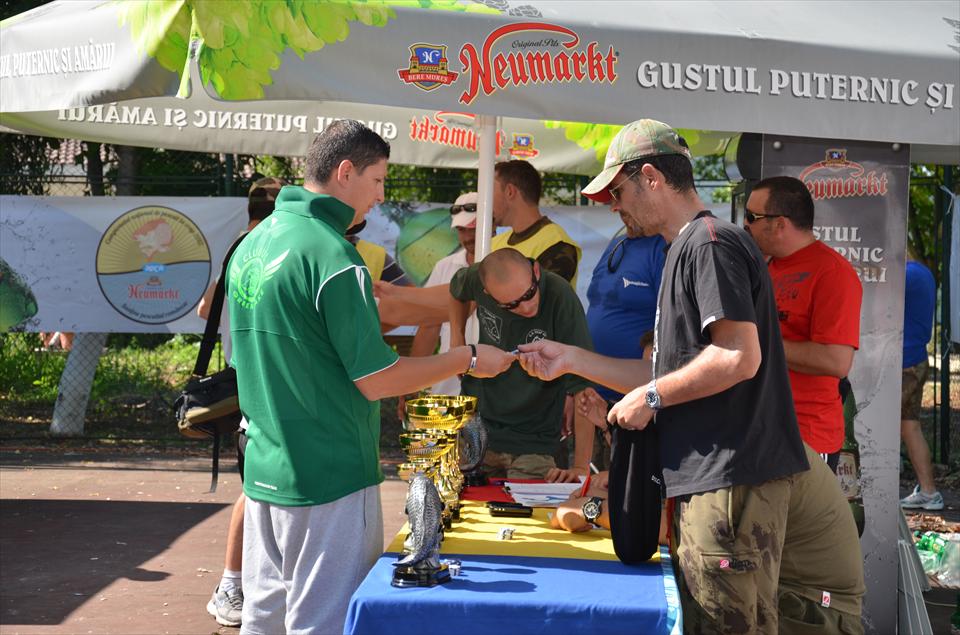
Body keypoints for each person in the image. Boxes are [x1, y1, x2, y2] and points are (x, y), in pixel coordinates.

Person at [518, 119, 864, 634]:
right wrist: (569, 359)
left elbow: (738, 356)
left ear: (651, 177)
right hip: (714, 480)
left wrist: (651, 397)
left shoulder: (710, 243)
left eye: (618, 191)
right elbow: (664, 372)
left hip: (730, 477)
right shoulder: (688, 247)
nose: (614, 205)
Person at [226, 120, 514, 634]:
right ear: (345, 172)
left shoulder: (252, 244)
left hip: (264, 467)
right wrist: (466, 357)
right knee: (325, 623)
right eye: (378, 180)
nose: (380, 197)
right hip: (328, 473)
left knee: (263, 620)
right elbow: (378, 379)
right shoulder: (333, 254)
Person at [197, 175, 285, 628]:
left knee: (260, 487)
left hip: (251, 382)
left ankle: (246, 582)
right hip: (253, 384)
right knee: (255, 490)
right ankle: (230, 585)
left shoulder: (240, 248)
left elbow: (204, 310)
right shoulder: (263, 249)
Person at [745, 176, 862, 471]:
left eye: (752, 217)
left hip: (804, 437)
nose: (745, 225)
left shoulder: (832, 272)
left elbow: (836, 361)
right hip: (760, 428)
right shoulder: (766, 266)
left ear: (779, 224)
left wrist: (755, 342)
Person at [448, 247, 594, 482]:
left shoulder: (559, 295)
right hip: (477, 428)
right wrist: (457, 337)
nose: (526, 308)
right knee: (466, 502)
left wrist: (580, 466)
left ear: (536, 271)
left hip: (533, 439)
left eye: (529, 294)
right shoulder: (478, 277)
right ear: (486, 292)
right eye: (511, 305)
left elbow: (584, 384)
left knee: (528, 504)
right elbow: (457, 289)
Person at [580, 211, 666, 469]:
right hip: (593, 402)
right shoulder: (617, 244)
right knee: (592, 486)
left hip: (637, 405)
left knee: (630, 488)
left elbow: (670, 319)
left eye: (621, 195)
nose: (616, 207)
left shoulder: (664, 247)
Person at [408, 191, 481, 396]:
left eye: (473, 228)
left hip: (497, 387)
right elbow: (429, 325)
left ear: (492, 223)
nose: (467, 236)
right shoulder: (444, 267)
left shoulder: (508, 265)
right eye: (461, 229)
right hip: (448, 388)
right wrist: (411, 384)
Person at [491, 159, 582, 285]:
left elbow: (540, 296)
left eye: (490, 191)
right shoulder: (495, 242)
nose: (485, 200)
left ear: (510, 191)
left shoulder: (556, 244)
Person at [899, 257, 941, 510]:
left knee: (880, 425)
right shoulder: (922, 272)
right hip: (915, 359)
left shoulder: (905, 275)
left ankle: (872, 491)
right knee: (909, 427)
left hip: (904, 362)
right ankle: (929, 492)